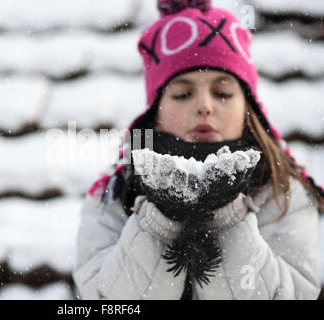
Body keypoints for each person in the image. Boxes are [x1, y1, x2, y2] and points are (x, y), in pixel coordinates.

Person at [72, 0, 324, 300]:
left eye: (222, 92)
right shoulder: (112, 197)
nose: (204, 106)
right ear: (156, 113)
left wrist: (228, 217)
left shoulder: (283, 195)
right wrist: (158, 220)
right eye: (182, 94)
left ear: (249, 107)